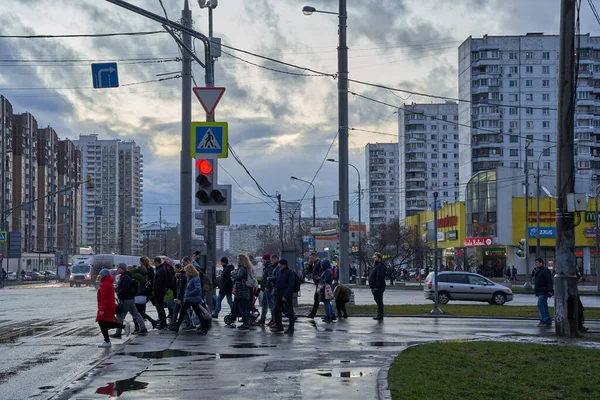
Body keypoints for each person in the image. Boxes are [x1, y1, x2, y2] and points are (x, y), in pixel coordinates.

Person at [169, 265, 208, 334]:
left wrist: (188, 294)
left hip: (192, 299)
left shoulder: (195, 278)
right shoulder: (191, 278)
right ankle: (204, 328)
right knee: (194, 313)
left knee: (185, 313)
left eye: (186, 271)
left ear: (190, 271)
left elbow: (198, 289)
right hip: (190, 299)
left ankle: (176, 327)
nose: (186, 272)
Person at [96, 269, 129, 348]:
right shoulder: (107, 283)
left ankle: (123, 327)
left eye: (100, 275)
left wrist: (102, 309)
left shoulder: (104, 284)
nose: (99, 277)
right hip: (109, 306)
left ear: (103, 276)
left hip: (106, 307)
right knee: (104, 323)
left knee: (103, 322)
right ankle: (107, 341)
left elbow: (104, 298)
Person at [112, 263, 147, 337]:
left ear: (122, 269)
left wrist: (118, 290)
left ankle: (118, 332)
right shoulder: (128, 276)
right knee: (136, 314)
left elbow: (125, 288)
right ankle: (143, 328)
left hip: (125, 299)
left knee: (120, 316)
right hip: (130, 299)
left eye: (118, 268)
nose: (117, 270)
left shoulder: (125, 277)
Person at [270, 258, 295, 334]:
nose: (279, 265)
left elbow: (290, 285)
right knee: (276, 310)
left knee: (289, 311)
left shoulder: (289, 272)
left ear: (284, 264)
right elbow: (278, 282)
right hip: (279, 294)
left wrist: (285, 295)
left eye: (280, 264)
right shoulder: (281, 272)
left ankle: (291, 327)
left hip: (286, 296)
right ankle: (279, 326)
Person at [130, 264, 157, 331]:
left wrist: (135, 269)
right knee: (140, 312)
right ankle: (152, 321)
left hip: (138, 296)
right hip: (143, 297)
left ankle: (137, 327)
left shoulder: (138, 277)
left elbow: (130, 273)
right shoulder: (145, 276)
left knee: (135, 312)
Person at [231, 254, 253, 331]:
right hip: (244, 291)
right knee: (243, 308)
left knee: (243, 309)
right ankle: (245, 323)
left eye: (238, 259)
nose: (237, 260)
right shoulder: (246, 268)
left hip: (242, 292)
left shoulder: (242, 269)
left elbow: (238, 277)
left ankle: (246, 324)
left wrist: (232, 273)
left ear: (241, 260)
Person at [533, 258, 553, 327]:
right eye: (535, 262)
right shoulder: (538, 270)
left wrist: (550, 290)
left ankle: (543, 320)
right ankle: (548, 320)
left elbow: (549, 281)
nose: (536, 264)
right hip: (540, 290)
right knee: (544, 305)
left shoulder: (545, 270)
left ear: (541, 263)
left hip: (544, 290)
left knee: (540, 304)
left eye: (537, 262)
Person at [256, 254, 275, 327]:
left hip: (268, 289)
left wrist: (267, 286)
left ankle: (273, 320)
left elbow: (269, 278)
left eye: (263, 259)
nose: (262, 261)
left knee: (271, 305)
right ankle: (262, 319)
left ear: (266, 260)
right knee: (264, 304)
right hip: (264, 289)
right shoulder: (266, 266)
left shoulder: (269, 267)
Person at [170, 264, 189, 329]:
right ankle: (173, 324)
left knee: (182, 311)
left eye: (175, 269)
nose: (174, 270)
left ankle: (188, 323)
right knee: (177, 310)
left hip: (181, 297)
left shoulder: (182, 277)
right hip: (181, 296)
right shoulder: (181, 276)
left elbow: (181, 288)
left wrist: (178, 298)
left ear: (178, 269)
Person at [369, 253, 387, 321]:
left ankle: (380, 315)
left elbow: (379, 277)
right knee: (378, 300)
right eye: (373, 257)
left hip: (378, 287)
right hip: (374, 286)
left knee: (379, 301)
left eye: (375, 257)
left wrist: (376, 287)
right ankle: (379, 314)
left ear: (379, 258)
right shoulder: (376, 266)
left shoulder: (380, 266)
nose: (374, 258)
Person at [153, 257, 169, 329]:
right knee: (160, 308)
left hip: (159, 292)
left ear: (157, 262)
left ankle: (163, 323)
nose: (153, 263)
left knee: (160, 308)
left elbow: (158, 283)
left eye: (154, 262)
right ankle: (163, 322)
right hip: (160, 291)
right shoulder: (161, 269)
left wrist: (155, 290)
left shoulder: (160, 270)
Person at [306, 253, 322, 319]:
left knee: (317, 298)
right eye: (310, 258)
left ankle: (313, 313)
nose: (310, 259)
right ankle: (313, 313)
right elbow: (312, 272)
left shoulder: (318, 263)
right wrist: (309, 265)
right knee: (318, 298)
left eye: (311, 258)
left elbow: (318, 273)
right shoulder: (315, 263)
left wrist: (318, 278)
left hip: (320, 284)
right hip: (318, 283)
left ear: (315, 257)